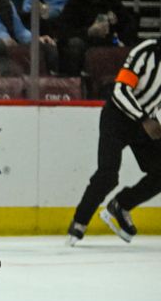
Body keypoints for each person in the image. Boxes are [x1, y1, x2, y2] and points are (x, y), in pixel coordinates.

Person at [67, 39, 161, 246]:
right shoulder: (145, 52)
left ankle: (121, 205)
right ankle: (79, 222)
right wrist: (144, 119)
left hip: (145, 123)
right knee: (108, 175)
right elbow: (120, 90)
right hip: (117, 117)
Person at [57, 0, 136, 76]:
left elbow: (129, 25)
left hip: (108, 42)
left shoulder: (112, 2)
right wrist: (88, 32)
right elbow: (63, 31)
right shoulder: (74, 3)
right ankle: (75, 83)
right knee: (74, 44)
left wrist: (120, 37)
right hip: (82, 44)